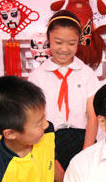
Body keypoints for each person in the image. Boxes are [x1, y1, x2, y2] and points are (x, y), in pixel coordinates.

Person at [28, 10, 99, 171]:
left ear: (78, 41)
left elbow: (93, 117)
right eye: (58, 42)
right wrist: (45, 152)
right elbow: (33, 117)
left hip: (82, 140)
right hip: (48, 140)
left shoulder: (87, 74)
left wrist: (85, 153)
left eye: (72, 43)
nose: (64, 49)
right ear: (48, 39)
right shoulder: (37, 77)